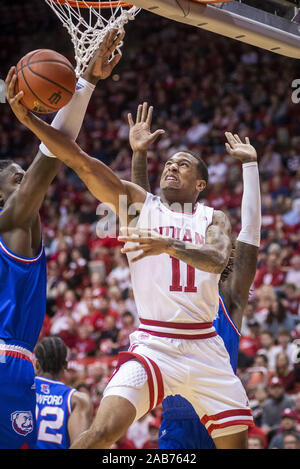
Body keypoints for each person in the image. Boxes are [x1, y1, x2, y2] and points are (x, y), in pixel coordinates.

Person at [6, 94, 254, 449]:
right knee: (101, 433)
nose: (171, 166)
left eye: (182, 164)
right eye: (168, 162)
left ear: (201, 184)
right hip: (154, 343)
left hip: (206, 349)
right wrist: (31, 121)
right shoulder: (140, 206)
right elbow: (82, 162)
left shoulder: (213, 217)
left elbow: (216, 259)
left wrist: (167, 245)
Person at [0, 30, 123, 449]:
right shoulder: (14, 219)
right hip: (7, 364)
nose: (25, 182)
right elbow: (49, 158)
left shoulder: (19, 223)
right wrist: (84, 80)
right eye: (16, 179)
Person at [129, 107, 261, 449]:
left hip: (219, 415)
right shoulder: (171, 292)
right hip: (176, 422)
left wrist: (250, 167)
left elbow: (250, 234)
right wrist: (139, 155)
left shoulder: (228, 298)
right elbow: (143, 213)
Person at [34, 336, 93, 448]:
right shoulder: (77, 399)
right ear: (66, 365)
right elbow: (79, 446)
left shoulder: (21, 390)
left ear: (36, 364)